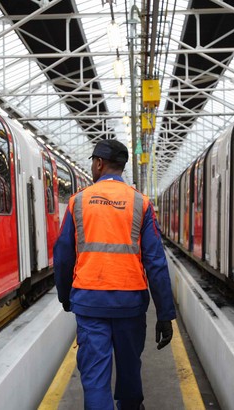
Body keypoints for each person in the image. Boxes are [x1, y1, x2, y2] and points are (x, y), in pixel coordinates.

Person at [54, 139, 176, 410]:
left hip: (89, 302)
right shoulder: (140, 203)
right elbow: (156, 263)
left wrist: (65, 296)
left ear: (99, 163)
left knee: (95, 378)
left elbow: (62, 256)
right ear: (122, 167)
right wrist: (165, 314)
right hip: (130, 303)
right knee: (130, 368)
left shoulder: (78, 202)